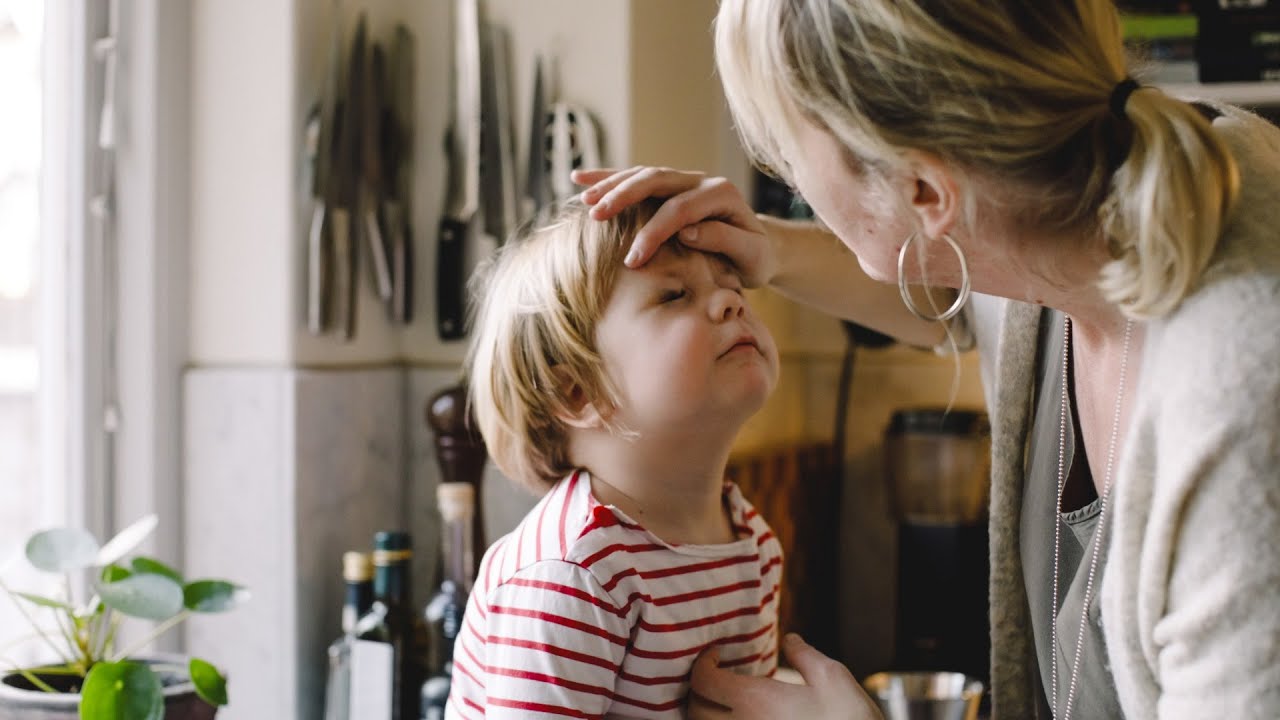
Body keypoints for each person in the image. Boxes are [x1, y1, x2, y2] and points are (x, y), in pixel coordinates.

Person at [573, 1, 1280, 718]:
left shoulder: (1242, 392)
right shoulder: (1066, 192)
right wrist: (771, 247)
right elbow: (953, 282)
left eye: (787, 150)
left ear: (923, 190)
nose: (787, 175)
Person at [449, 199, 786, 719]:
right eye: (674, 295)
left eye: (734, 288)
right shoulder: (573, 575)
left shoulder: (752, 544)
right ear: (579, 393)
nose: (729, 303)